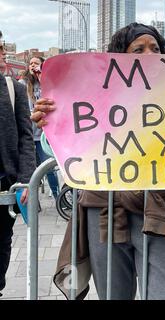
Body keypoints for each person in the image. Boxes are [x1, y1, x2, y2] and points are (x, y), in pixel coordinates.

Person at [31, 23, 165, 300]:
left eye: (155, 48)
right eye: (138, 49)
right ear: (120, 59)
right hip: (103, 210)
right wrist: (51, 122)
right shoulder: (94, 96)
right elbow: (63, 149)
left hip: (159, 209)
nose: (148, 54)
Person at [0, 30, 36, 297]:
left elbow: (26, 136)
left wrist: (26, 180)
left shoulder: (16, 89)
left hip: (5, 187)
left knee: (1, 244)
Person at [20, 56, 60, 199]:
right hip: (29, 134)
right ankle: (32, 202)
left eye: (36, 63)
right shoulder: (23, 84)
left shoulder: (48, 82)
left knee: (48, 167)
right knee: (30, 170)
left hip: (44, 134)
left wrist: (43, 77)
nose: (32, 66)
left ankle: (57, 196)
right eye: (30, 63)